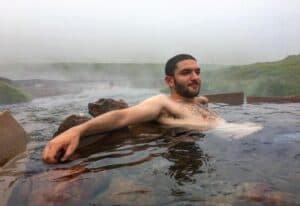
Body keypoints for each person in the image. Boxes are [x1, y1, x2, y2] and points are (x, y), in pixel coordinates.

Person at [42, 54, 223, 164]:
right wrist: (77, 130)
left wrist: (200, 100)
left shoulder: (199, 101)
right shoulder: (162, 103)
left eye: (197, 72)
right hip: (225, 141)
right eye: (186, 73)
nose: (195, 77)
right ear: (169, 81)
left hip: (221, 142)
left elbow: (201, 99)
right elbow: (122, 117)